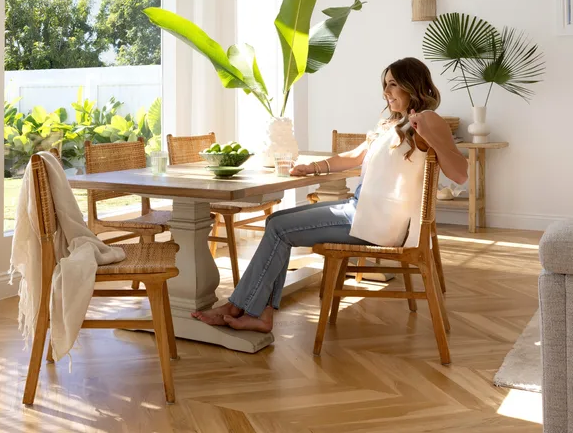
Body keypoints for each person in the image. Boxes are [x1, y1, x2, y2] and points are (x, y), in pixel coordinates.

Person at [191, 57, 468, 333]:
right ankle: (258, 312)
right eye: (385, 85)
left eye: (393, 84)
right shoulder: (393, 124)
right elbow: (354, 156)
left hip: (378, 224)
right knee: (275, 223)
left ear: (412, 85)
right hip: (362, 211)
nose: (386, 92)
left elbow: (459, 173)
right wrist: (312, 168)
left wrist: (430, 138)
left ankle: (239, 307)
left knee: (278, 227)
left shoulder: (427, 119)